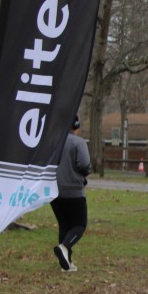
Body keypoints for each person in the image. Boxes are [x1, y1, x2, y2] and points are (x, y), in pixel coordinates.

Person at [51, 116, 91, 272]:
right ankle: (65, 247)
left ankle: (67, 263)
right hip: (73, 190)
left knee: (64, 225)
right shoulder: (78, 142)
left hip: (54, 191)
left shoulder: (53, 142)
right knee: (79, 225)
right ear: (76, 126)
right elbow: (84, 164)